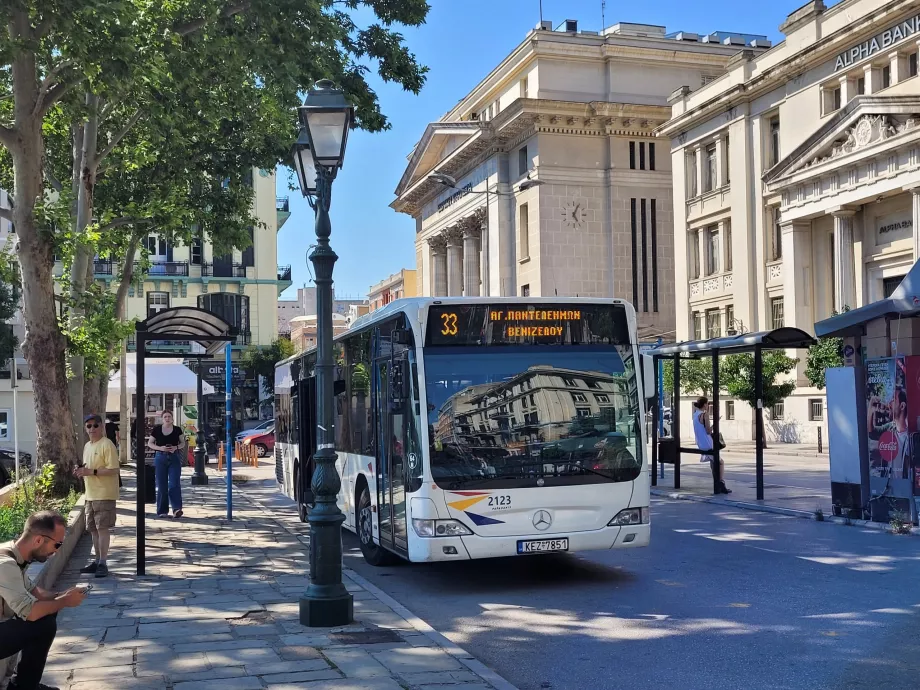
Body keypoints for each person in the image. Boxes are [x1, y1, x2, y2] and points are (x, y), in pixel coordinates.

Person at [0, 511, 87, 690]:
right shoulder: (5, 565)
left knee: (47, 614)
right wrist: (64, 601)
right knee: (42, 624)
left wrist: (63, 595)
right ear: (39, 540)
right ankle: (25, 687)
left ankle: (25, 684)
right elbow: (31, 612)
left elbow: (35, 593)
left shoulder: (15, 556)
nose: (57, 551)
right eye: (57, 544)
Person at [75, 414, 120, 578]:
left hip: (104, 493)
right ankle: (97, 560)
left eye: (95, 425)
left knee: (102, 528)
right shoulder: (87, 445)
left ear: (102, 427)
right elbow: (88, 467)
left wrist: (91, 472)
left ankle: (103, 562)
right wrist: (81, 471)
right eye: (88, 426)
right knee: (93, 529)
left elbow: (114, 469)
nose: (92, 429)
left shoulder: (107, 445)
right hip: (90, 494)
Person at [148, 411, 185, 519]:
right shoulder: (157, 430)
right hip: (160, 457)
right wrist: (161, 448)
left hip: (174, 457)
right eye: (165, 417)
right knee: (161, 485)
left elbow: (182, 442)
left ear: (172, 418)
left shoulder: (177, 429)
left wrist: (176, 447)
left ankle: (176, 509)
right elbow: (150, 443)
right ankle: (162, 510)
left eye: (169, 416)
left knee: (174, 484)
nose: (167, 418)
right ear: (162, 419)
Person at [693, 397, 731, 495]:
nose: (708, 406)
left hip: (700, 443)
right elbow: (708, 431)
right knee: (720, 462)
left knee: (713, 462)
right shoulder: (704, 415)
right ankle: (721, 483)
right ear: (705, 405)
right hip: (708, 443)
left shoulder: (695, 415)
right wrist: (716, 422)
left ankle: (717, 482)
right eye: (707, 404)